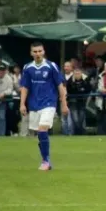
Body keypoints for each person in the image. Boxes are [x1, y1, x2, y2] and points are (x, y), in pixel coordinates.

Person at [19, 42, 68, 170]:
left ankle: (46, 161)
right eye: (35, 51)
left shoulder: (51, 66)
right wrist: (22, 104)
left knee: (42, 129)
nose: (38, 54)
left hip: (49, 103)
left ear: (43, 51)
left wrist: (64, 104)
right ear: (31, 53)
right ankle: (45, 159)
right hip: (34, 105)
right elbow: (25, 87)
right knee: (40, 134)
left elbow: (60, 86)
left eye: (40, 51)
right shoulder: (27, 68)